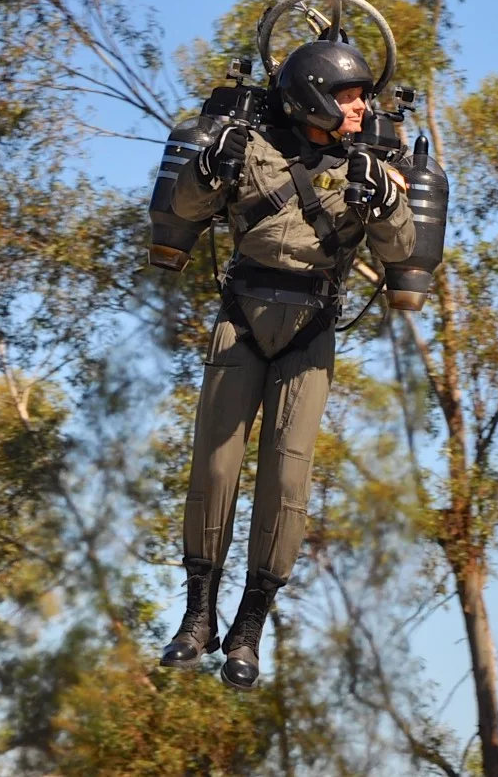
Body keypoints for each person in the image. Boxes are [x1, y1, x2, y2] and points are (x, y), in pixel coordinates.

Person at [159, 34, 416, 691]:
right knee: (214, 468)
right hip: (240, 321)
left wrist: (386, 202)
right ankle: (196, 619)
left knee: (287, 479)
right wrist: (207, 168)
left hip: (310, 333)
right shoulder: (248, 149)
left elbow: (402, 250)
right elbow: (184, 207)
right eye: (348, 96)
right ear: (312, 97)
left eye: (363, 97)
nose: (361, 108)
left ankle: (248, 631)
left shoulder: (372, 167)